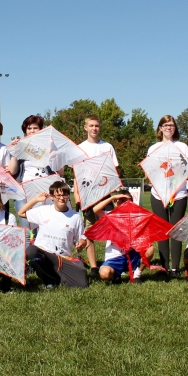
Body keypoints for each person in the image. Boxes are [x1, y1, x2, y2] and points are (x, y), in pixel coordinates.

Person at [146, 115, 188, 276]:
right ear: (160, 128)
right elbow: (150, 170)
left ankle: (175, 267)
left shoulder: (182, 146)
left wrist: (177, 183)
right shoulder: (153, 148)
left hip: (178, 193)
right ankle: (164, 267)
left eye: (171, 125)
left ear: (175, 128)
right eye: (165, 125)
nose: (168, 128)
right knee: (162, 231)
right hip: (158, 194)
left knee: (176, 230)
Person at [18, 180, 88, 289]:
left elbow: (83, 238)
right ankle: (49, 281)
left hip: (63, 258)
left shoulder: (75, 217)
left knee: (82, 284)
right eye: (58, 195)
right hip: (44, 254)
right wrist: (36, 200)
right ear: (52, 197)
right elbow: (21, 213)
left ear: (68, 196)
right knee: (31, 251)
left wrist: (81, 244)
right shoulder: (43, 211)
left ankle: (58, 276)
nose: (61, 198)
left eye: (64, 194)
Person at [76, 114, 120, 278]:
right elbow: (77, 174)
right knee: (89, 231)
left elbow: (114, 171)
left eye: (97, 125)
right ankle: (94, 267)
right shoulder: (80, 148)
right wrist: (78, 195)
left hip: (106, 193)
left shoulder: (107, 147)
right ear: (86, 127)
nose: (94, 128)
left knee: (112, 228)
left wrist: (115, 194)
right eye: (91, 125)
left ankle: (116, 259)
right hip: (88, 194)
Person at [91, 188, 152, 284]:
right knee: (104, 274)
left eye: (126, 201)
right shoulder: (110, 216)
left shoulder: (136, 218)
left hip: (131, 255)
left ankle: (137, 274)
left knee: (150, 248)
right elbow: (95, 209)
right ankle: (116, 274)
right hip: (114, 257)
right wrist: (113, 197)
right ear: (115, 203)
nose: (123, 204)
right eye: (120, 201)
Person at [7, 115, 58, 215]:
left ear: (41, 129)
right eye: (29, 128)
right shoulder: (20, 145)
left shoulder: (48, 146)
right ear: (25, 130)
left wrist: (54, 152)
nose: (32, 131)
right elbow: (12, 171)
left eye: (35, 128)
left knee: (45, 222)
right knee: (27, 224)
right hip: (25, 190)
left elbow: (60, 171)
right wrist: (15, 151)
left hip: (45, 188)